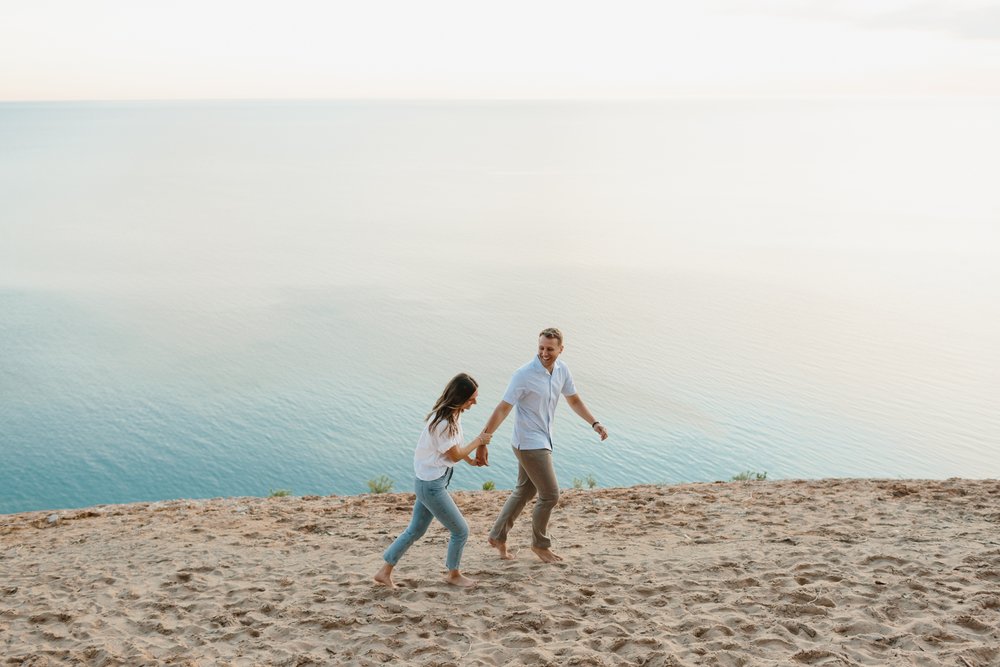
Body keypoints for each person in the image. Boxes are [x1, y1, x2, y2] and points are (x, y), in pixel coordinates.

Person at [475, 328, 608, 563]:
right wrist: (484, 441)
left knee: (525, 490)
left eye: (549, 349)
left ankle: (497, 535)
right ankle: (540, 544)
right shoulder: (523, 374)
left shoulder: (562, 370)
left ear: (560, 349)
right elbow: (503, 407)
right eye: (541, 348)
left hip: (543, 438)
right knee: (550, 495)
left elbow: (574, 400)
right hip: (528, 442)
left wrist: (594, 423)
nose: (544, 353)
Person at [374, 373, 492, 588]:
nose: (474, 402)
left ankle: (384, 572)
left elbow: (453, 448)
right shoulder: (443, 423)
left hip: (430, 482)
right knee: (461, 531)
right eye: (471, 398)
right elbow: (453, 455)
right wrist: (479, 441)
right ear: (459, 397)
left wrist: (471, 461)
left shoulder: (452, 417)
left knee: (415, 530)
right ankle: (453, 574)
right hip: (431, 486)